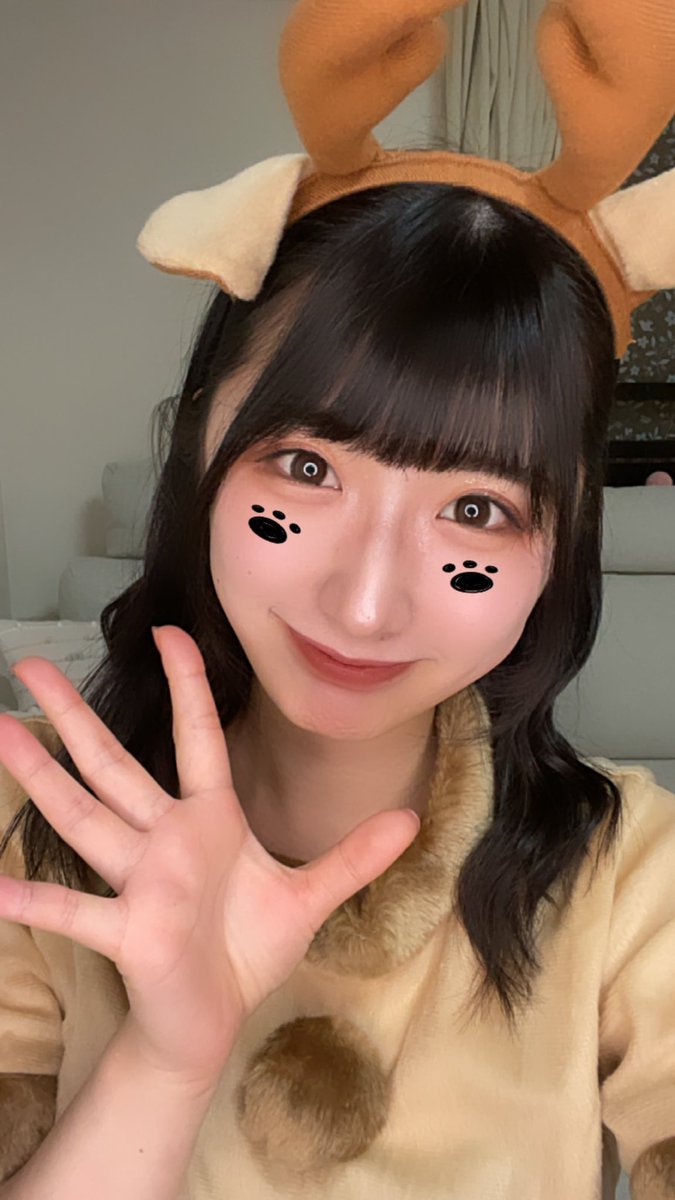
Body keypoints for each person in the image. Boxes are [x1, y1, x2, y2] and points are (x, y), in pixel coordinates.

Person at [0, 2, 674, 1198]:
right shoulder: (37, 827)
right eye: (307, 469)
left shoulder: (629, 876)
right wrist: (163, 1061)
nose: (366, 607)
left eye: (478, 511)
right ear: (201, 451)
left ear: (562, 547)